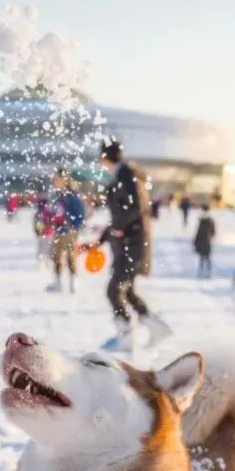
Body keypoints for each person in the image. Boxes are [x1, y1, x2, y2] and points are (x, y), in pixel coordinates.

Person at [92, 137, 170, 350]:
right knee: (126, 291)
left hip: (132, 244)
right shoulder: (123, 175)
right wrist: (100, 240)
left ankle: (126, 334)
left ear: (105, 157)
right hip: (128, 243)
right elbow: (122, 214)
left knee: (114, 290)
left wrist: (117, 228)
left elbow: (137, 208)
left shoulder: (127, 174)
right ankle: (157, 327)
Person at [46, 168, 86, 293]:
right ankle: (58, 283)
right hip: (59, 229)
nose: (55, 182)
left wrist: (72, 223)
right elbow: (54, 211)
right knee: (56, 255)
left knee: (70, 255)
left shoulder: (71, 196)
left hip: (69, 230)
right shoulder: (57, 196)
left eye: (57, 179)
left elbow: (79, 213)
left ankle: (73, 283)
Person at [194, 201, 217, 278]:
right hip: (204, 240)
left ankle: (206, 272)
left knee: (205, 257)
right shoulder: (205, 219)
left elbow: (213, 231)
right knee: (204, 257)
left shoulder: (207, 220)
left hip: (205, 240)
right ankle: (204, 271)